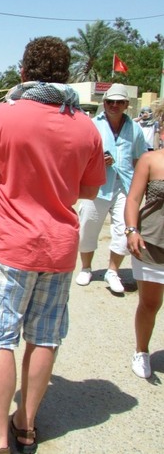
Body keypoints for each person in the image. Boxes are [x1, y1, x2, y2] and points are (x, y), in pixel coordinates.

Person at [0, 36, 106, 454]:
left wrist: (4, 176)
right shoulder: (85, 125)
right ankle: (26, 426)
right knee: (44, 337)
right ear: (66, 75)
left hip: (10, 248)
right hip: (59, 249)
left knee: (0, 338)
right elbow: (90, 189)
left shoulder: (3, 115)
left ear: (24, 71)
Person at [75, 83, 148, 293]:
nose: (114, 105)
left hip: (125, 186)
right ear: (104, 103)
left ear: (126, 104)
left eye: (119, 102)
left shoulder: (135, 129)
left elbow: (139, 159)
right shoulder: (92, 125)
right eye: (110, 101)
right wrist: (97, 161)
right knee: (88, 226)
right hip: (96, 185)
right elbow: (80, 155)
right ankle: (86, 267)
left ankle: (113, 271)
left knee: (124, 230)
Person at [124, 99, 164, 379]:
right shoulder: (151, 161)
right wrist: (131, 230)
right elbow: (133, 199)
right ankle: (142, 350)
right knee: (150, 304)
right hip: (152, 244)